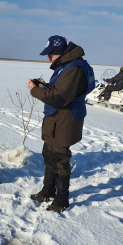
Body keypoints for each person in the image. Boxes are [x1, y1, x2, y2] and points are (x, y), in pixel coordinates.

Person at [27, 35, 95, 213]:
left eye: (51, 54)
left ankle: (62, 200)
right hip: (57, 120)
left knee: (60, 159)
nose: (48, 58)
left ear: (59, 52)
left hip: (64, 121)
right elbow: (61, 90)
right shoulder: (67, 66)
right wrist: (45, 86)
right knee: (49, 154)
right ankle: (47, 191)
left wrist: (35, 90)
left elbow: (59, 98)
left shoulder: (73, 68)